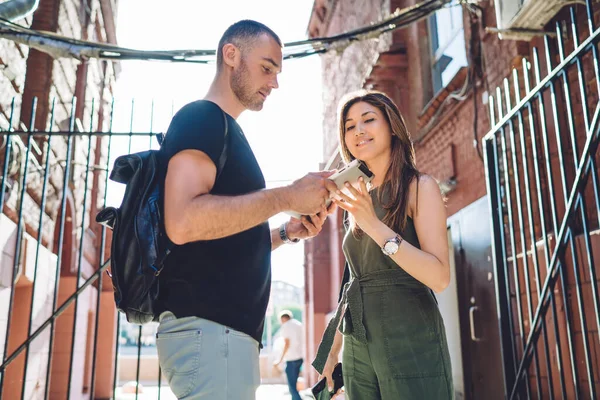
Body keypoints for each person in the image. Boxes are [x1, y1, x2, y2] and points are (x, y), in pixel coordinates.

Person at [155, 20, 337, 400]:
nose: (274, 83)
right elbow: (183, 222)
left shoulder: (226, 130)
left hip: (220, 340)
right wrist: (287, 195)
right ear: (231, 55)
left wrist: (285, 234)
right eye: (267, 68)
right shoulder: (202, 118)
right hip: (211, 336)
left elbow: (218, 240)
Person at [312, 90, 454, 399]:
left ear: (392, 127)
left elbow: (440, 277)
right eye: (349, 126)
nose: (358, 131)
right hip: (358, 341)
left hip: (410, 333)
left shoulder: (420, 187)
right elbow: (352, 280)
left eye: (368, 120)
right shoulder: (357, 199)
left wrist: (374, 225)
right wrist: (333, 349)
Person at [273, 310, 305, 400]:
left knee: (292, 387)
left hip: (291, 359)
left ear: (283, 318)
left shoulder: (286, 326)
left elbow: (287, 344)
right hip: (299, 358)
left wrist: (279, 360)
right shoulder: (299, 324)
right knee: (294, 384)